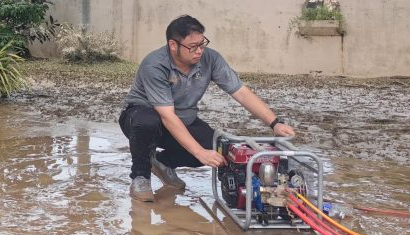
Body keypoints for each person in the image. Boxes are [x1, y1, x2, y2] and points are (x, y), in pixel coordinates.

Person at [119, 15, 295, 202]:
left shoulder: (210, 59)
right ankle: (140, 177)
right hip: (142, 116)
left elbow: (241, 92)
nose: (199, 51)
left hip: (183, 120)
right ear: (173, 45)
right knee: (147, 122)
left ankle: (163, 163)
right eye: (193, 47)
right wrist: (199, 152)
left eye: (202, 44)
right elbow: (167, 116)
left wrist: (274, 122)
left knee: (219, 149)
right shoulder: (155, 65)